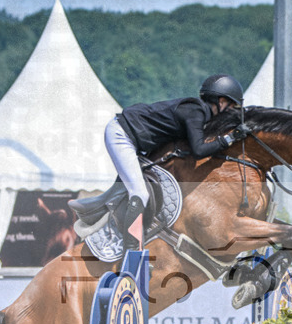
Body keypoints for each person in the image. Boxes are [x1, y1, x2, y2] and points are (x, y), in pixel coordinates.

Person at [105, 74, 249, 250]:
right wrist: (229, 139)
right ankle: (131, 250)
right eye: (231, 105)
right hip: (122, 134)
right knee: (140, 193)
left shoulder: (199, 112)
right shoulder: (196, 111)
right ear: (220, 101)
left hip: (135, 138)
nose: (230, 110)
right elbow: (199, 151)